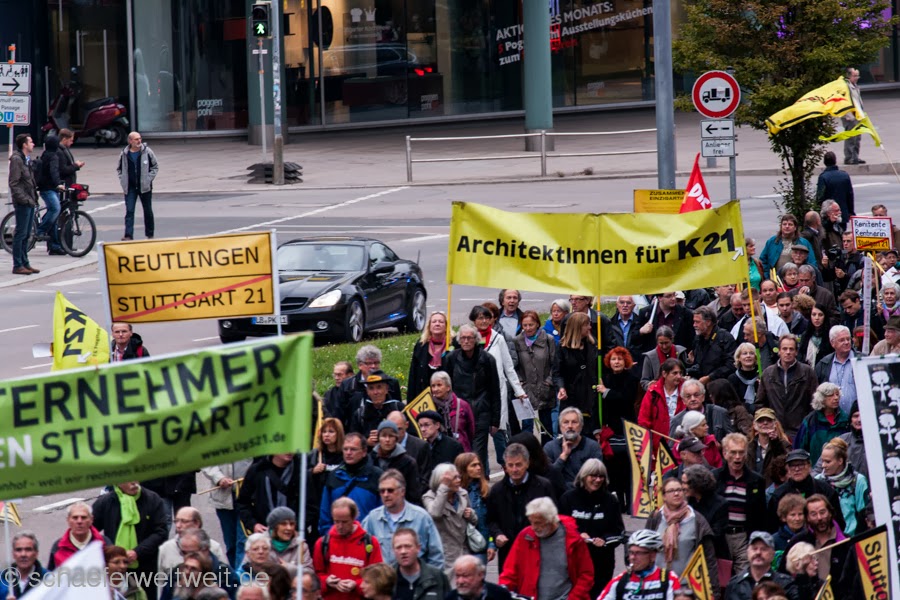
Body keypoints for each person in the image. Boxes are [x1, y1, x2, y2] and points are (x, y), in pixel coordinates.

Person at [499, 497, 594, 600]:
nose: (533, 527)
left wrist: (574, 598)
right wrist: (503, 590)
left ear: (551, 520)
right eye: (531, 522)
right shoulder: (525, 536)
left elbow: (586, 574)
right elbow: (510, 570)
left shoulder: (573, 539)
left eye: (538, 523)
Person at [92, 482, 169, 598]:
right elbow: (91, 531)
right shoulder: (106, 502)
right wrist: (111, 552)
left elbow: (161, 532)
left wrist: (137, 552)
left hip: (145, 568)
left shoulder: (152, 499)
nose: (134, 483)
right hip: (114, 570)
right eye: (129, 479)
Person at [485, 443, 556, 570]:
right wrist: (497, 534)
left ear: (527, 464)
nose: (514, 469)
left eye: (518, 465)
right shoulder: (497, 491)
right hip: (508, 553)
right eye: (510, 465)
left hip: (537, 552)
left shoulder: (543, 486)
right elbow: (491, 520)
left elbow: (554, 517)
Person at [441, 325, 501, 472]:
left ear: (476, 340)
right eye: (463, 338)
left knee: (477, 454)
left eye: (469, 338)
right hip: (459, 414)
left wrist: (495, 420)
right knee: (461, 454)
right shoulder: (451, 359)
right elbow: (446, 388)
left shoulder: (487, 360)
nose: (466, 341)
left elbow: (494, 390)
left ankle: (479, 482)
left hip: (481, 413)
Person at [559, 459, 623, 597]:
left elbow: (618, 531)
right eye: (593, 476)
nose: (597, 480)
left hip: (601, 562)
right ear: (584, 476)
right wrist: (577, 535)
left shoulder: (610, 500)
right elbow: (559, 529)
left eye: (601, 476)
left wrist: (605, 540)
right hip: (574, 561)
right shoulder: (568, 498)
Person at [646, 477, 718, 593]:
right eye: (671, 491)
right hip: (657, 584)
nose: (676, 494)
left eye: (679, 490)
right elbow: (645, 548)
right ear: (664, 496)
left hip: (685, 587)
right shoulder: (656, 517)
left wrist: (713, 590)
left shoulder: (697, 520)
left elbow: (709, 558)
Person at [360, 470, 443, 568]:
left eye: (390, 490)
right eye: (382, 491)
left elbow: (436, 556)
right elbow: (362, 552)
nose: (386, 494)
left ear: (402, 491)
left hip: (415, 576)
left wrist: (428, 577)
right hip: (382, 577)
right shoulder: (372, 519)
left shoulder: (421, 517)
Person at [471, 304, 527, 450]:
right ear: (474, 321)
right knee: (479, 433)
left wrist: (519, 391)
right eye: (480, 318)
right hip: (476, 393)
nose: (484, 321)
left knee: (499, 429)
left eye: (487, 318)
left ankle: (503, 459)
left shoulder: (498, 339)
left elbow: (509, 367)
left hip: (496, 391)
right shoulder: (468, 339)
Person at [714, 433, 766, 575]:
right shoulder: (714, 478)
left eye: (741, 452)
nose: (737, 457)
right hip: (721, 538)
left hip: (744, 537)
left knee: (744, 577)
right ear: (725, 453)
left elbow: (761, 514)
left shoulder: (757, 481)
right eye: (733, 452)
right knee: (721, 579)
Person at [313, 498, 383, 600]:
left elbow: (377, 577)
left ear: (354, 518)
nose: (340, 526)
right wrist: (326, 581)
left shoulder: (370, 542)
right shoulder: (323, 543)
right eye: (336, 521)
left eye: (344, 522)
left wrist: (356, 585)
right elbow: (315, 576)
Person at [779, 494, 849, 591]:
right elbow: (783, 575)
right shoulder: (798, 541)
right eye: (813, 514)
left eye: (822, 512)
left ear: (830, 513)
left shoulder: (846, 542)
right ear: (807, 517)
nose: (819, 518)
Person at [318, 434, 382, 535]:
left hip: (367, 538)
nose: (348, 453)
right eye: (345, 449)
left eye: (353, 449)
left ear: (364, 452)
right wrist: (329, 536)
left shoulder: (377, 476)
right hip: (338, 538)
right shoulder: (334, 476)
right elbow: (325, 512)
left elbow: (382, 512)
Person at [756, 334, 819, 439]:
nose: (788, 352)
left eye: (791, 349)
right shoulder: (768, 374)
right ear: (779, 351)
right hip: (775, 431)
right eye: (784, 349)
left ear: (796, 352)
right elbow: (760, 403)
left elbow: (815, 402)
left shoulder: (807, 373)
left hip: (801, 431)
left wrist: (808, 425)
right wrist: (768, 424)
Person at [767, 450, 844, 532]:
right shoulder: (779, 494)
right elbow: (771, 526)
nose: (797, 469)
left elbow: (838, 522)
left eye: (801, 465)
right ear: (788, 469)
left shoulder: (825, 489)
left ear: (809, 465)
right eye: (792, 466)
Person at [553, 311, 603, 434]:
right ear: (577, 327)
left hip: (590, 397)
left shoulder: (593, 344)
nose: (590, 327)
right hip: (571, 397)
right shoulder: (562, 348)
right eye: (587, 325)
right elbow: (557, 373)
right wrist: (561, 388)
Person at [422, 463, 476, 574]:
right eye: (454, 478)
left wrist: (471, 515)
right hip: (445, 557)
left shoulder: (463, 494)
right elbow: (435, 514)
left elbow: (474, 522)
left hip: (465, 552)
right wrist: (444, 488)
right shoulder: (429, 497)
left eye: (458, 477)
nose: (458, 481)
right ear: (442, 481)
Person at [597, 345, 639, 489]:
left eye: (620, 359)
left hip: (626, 424)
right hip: (610, 426)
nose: (616, 362)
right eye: (614, 359)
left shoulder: (632, 379)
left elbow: (626, 399)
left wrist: (606, 392)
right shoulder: (605, 378)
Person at [597, 529, 682, 600]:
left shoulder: (668, 579)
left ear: (652, 555)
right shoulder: (620, 581)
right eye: (631, 552)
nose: (632, 557)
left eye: (638, 553)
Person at [514, 309, 556, 439]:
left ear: (537, 324)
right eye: (525, 325)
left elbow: (555, 364)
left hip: (545, 388)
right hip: (526, 389)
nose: (528, 328)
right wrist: (520, 382)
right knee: (527, 425)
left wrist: (549, 381)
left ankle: (547, 449)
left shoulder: (548, 340)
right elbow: (514, 365)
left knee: (546, 425)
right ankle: (528, 449)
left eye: (531, 325)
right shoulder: (517, 341)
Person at [814, 437, 870, 536]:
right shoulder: (817, 481)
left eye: (827, 462)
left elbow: (863, 513)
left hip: (852, 537)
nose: (823, 465)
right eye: (822, 461)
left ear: (840, 461)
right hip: (826, 537)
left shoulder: (858, 481)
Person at [723, 531, 799, 600]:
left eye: (763, 549)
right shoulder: (735, 584)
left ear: (773, 554)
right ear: (747, 552)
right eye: (754, 548)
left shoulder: (785, 583)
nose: (758, 552)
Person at [543, 406, 604, 492]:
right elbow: (546, 478)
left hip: (584, 494)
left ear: (581, 426)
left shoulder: (592, 447)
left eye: (574, 422)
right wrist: (563, 457)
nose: (570, 426)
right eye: (566, 422)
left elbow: (596, 478)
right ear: (560, 427)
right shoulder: (550, 447)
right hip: (558, 496)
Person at [239, 453, 302, 535]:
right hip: (265, 532)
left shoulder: (301, 471)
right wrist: (253, 524)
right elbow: (243, 502)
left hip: (294, 533)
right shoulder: (257, 470)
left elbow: (310, 506)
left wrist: (296, 526)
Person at [340, 347, 402, 424]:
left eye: (376, 363)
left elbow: (398, 410)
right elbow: (342, 414)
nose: (373, 366)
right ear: (360, 365)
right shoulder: (347, 385)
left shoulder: (391, 382)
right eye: (369, 363)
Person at [306, 419, 345, 545]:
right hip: (318, 507)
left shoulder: (345, 455)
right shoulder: (314, 455)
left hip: (339, 503)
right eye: (324, 432)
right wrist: (312, 471)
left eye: (331, 432)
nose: (327, 435)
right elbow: (300, 478)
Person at [793, 383, 850, 466]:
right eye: (831, 395)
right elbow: (799, 447)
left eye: (837, 394)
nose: (836, 398)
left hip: (840, 467)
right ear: (821, 398)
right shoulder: (810, 421)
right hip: (816, 468)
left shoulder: (845, 420)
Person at [158, 507, 228, 573]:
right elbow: (160, 578)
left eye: (184, 521)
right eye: (176, 521)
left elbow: (225, 576)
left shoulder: (214, 547)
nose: (178, 525)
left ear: (196, 523)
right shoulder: (166, 548)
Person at [117, 131, 159, 240]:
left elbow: (155, 166)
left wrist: (148, 179)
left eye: (140, 138)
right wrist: (123, 180)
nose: (139, 141)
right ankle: (128, 235)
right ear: (130, 141)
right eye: (136, 139)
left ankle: (150, 234)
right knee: (129, 211)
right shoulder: (124, 154)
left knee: (147, 210)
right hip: (130, 187)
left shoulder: (147, 151)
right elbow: (119, 169)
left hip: (144, 187)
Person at [455, 453, 495, 565]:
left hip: (479, 545)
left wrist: (491, 544)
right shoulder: (454, 493)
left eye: (479, 464)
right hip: (459, 546)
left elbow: (492, 520)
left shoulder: (485, 491)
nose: (478, 468)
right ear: (463, 469)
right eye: (473, 465)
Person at [9, 133, 40, 275]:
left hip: (29, 200)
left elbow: (29, 181)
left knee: (27, 234)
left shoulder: (25, 159)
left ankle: (25, 262)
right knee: (20, 234)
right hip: (23, 202)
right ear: (24, 145)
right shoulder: (17, 159)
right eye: (31, 142)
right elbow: (14, 183)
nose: (33, 144)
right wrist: (24, 199)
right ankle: (18, 265)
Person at [638, 358, 685, 452]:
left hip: (681, 445)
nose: (679, 376)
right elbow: (644, 421)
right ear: (664, 374)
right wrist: (647, 448)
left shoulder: (686, 390)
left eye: (680, 373)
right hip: (658, 445)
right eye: (675, 373)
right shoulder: (653, 392)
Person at [369, 420, 420, 504]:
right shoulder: (370, 460)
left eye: (391, 436)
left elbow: (413, 494)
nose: (387, 440)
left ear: (396, 439)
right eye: (384, 436)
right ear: (378, 438)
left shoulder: (408, 462)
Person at [391, 528, 450, 600]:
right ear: (393, 550)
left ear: (418, 548)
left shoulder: (437, 577)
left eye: (408, 546)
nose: (403, 551)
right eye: (398, 547)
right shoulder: (387, 579)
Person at [47, 501, 108, 569]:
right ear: (68, 520)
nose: (79, 521)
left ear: (91, 520)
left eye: (83, 517)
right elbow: (51, 573)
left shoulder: (105, 544)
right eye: (75, 518)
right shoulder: (58, 547)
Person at [684, 306, 737, 384]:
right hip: (701, 382)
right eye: (694, 322)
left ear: (708, 322)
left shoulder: (725, 338)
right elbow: (699, 365)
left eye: (697, 322)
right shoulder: (698, 339)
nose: (694, 325)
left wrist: (710, 377)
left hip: (720, 384)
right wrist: (689, 370)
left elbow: (731, 365)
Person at [813, 401, 866, 478]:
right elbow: (818, 469)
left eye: (863, 415)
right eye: (855, 416)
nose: (859, 420)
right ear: (850, 420)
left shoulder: (879, 443)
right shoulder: (841, 441)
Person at [670, 378, 732, 443]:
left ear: (703, 397)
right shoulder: (676, 420)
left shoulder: (720, 412)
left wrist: (719, 445)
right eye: (688, 396)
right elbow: (671, 447)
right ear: (683, 400)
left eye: (696, 395)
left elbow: (731, 442)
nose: (693, 399)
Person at [349, 372, 405, 443]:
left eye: (379, 387)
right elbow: (353, 440)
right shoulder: (360, 414)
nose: (375, 392)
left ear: (386, 389)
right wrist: (367, 442)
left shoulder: (399, 408)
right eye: (371, 388)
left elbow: (411, 435)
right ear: (367, 391)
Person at [407, 311, 449, 402]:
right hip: (424, 397)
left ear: (446, 326)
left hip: (447, 398)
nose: (437, 324)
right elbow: (413, 375)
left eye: (441, 322)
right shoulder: (421, 346)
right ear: (429, 326)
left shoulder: (453, 345)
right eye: (434, 322)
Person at [34, 134, 66, 255]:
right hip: (48, 188)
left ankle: (54, 246)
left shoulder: (45, 154)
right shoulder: (53, 156)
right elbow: (54, 171)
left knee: (54, 218)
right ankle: (40, 230)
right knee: (55, 209)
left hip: (46, 187)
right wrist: (58, 184)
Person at [428, 371, 475, 452]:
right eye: (433, 386)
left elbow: (471, 431)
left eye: (439, 385)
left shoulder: (463, 405)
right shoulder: (429, 407)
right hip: (439, 453)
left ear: (448, 387)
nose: (435, 389)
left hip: (461, 452)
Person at [814, 326, 856, 414]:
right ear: (832, 343)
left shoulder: (861, 361)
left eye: (848, 339)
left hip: (857, 418)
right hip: (832, 418)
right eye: (842, 340)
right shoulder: (823, 364)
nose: (846, 342)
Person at [385, 412, 430, 487]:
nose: (395, 433)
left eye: (399, 429)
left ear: (406, 425)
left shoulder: (421, 446)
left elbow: (425, 478)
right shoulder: (381, 446)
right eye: (392, 430)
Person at [0, 531, 48, 598]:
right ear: (13, 554)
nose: (23, 554)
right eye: (18, 550)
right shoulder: (2, 579)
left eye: (28, 549)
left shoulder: (48, 579)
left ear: (36, 553)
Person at [265, 507, 313, 574]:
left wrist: (289, 568)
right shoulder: (260, 544)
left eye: (292, 524)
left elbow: (310, 573)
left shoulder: (301, 546)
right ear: (274, 527)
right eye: (283, 524)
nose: (289, 528)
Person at [747, 408, 790, 481]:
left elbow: (786, 465)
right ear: (754, 425)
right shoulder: (748, 447)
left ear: (775, 424)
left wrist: (776, 443)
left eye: (769, 420)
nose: (765, 423)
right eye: (760, 420)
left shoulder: (784, 445)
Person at [446, 555, 514, 600]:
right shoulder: (450, 597)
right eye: (457, 576)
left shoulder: (500, 595)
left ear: (480, 575)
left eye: (465, 576)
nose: (460, 581)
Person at [640, 326, 686, 391]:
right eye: (661, 343)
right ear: (657, 342)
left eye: (666, 343)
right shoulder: (649, 357)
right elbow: (644, 381)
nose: (664, 347)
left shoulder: (681, 352)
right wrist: (650, 385)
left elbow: (687, 372)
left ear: (672, 340)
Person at [841, 67, 864, 165]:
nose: (857, 78)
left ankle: (855, 157)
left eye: (858, 76)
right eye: (855, 76)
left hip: (858, 115)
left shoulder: (855, 86)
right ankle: (849, 157)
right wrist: (848, 115)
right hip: (850, 116)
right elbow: (843, 102)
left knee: (857, 137)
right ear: (849, 76)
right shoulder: (845, 87)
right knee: (850, 137)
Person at [773, 494, 807, 563]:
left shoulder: (810, 536)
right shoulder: (775, 540)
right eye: (793, 515)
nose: (797, 518)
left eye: (800, 514)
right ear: (784, 517)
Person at [729, 343, 760, 411]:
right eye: (745, 353)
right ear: (738, 358)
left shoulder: (762, 376)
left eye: (751, 353)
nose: (748, 356)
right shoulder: (733, 378)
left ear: (755, 357)